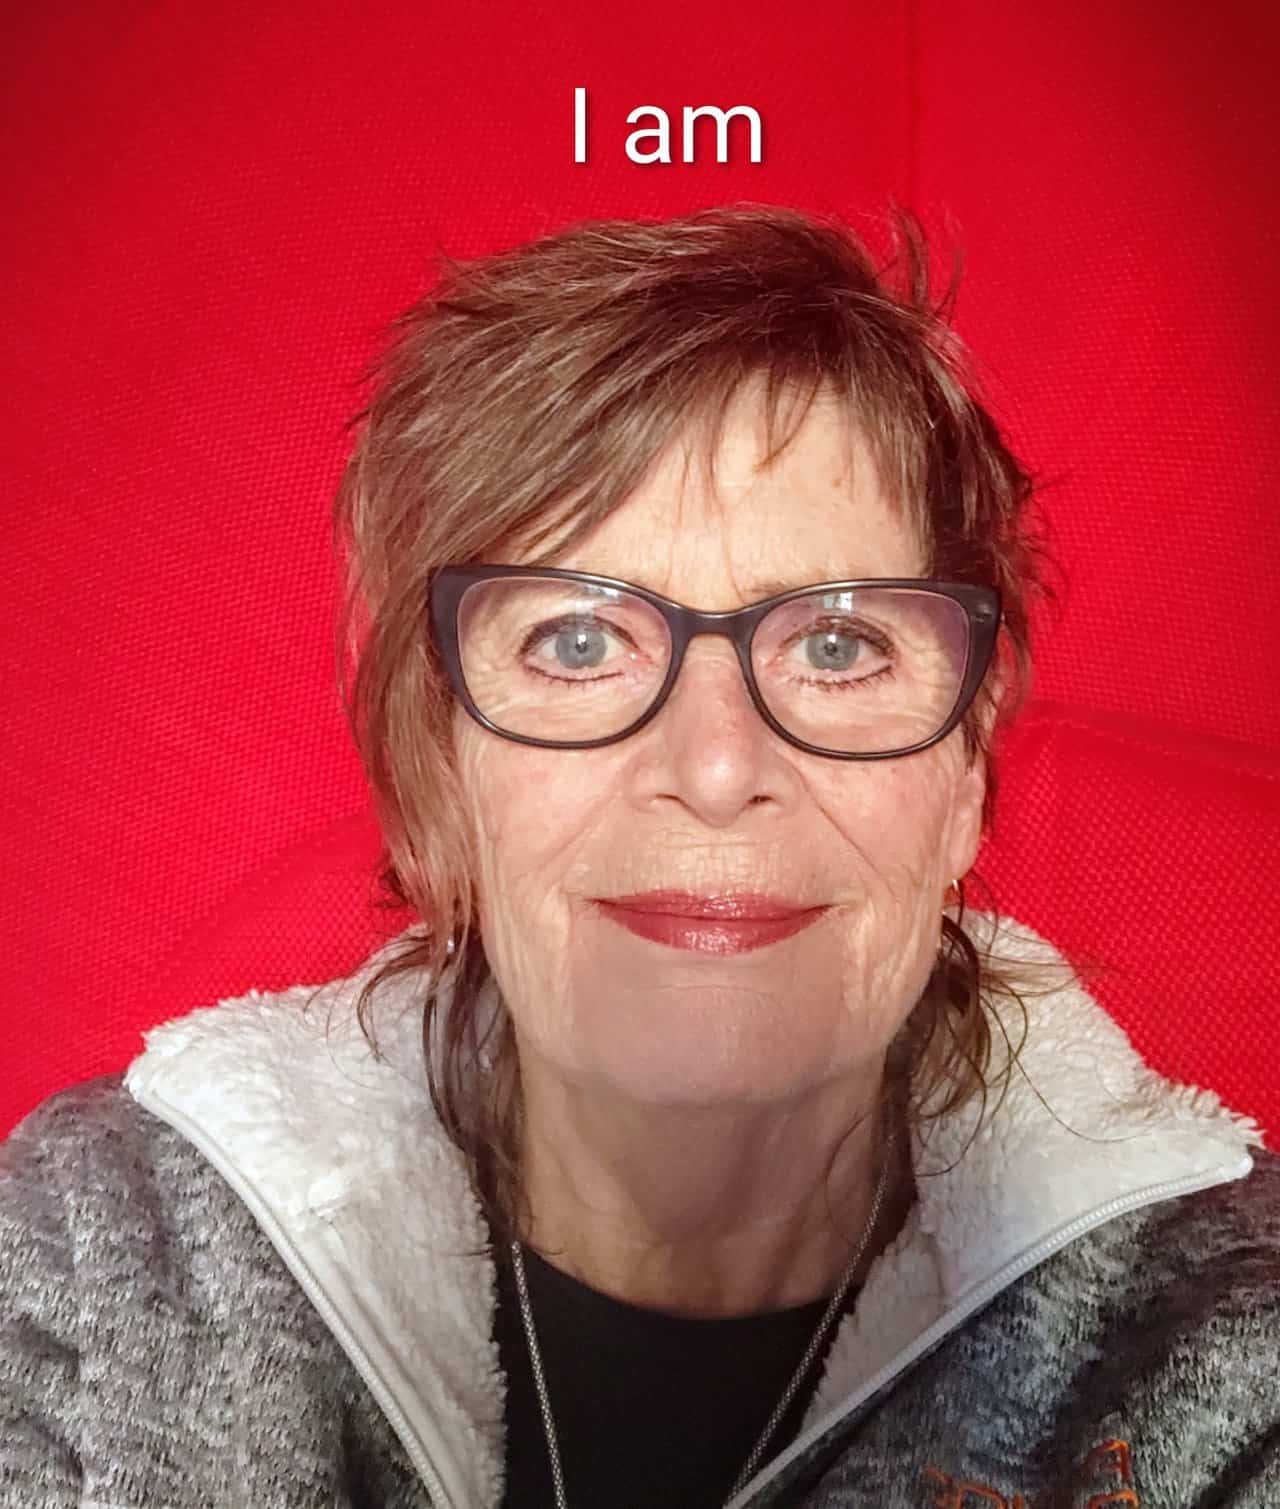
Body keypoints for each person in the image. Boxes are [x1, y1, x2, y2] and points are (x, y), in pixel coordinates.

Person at [1, 203, 1276, 1509]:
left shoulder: (1236, 1337)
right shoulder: (109, 1248)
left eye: (837, 646)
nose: (716, 769)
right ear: (441, 762)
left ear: (965, 768)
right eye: (577, 642)